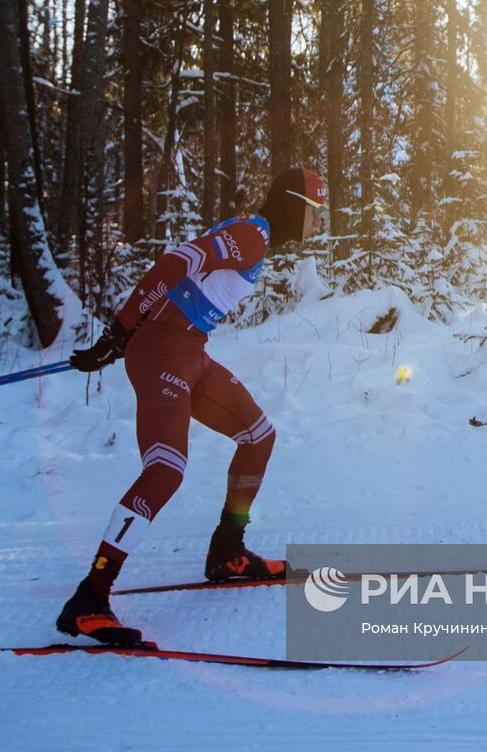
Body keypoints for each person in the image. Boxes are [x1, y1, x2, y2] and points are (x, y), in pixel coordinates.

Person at [56, 168, 329, 646]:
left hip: (189, 353)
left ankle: (228, 552)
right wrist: (120, 332)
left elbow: (187, 276)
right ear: (293, 204)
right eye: (315, 213)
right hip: (163, 351)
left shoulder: (253, 234)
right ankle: (90, 597)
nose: (316, 225)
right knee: (166, 470)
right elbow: (171, 265)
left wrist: (125, 333)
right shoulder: (253, 235)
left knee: (258, 435)